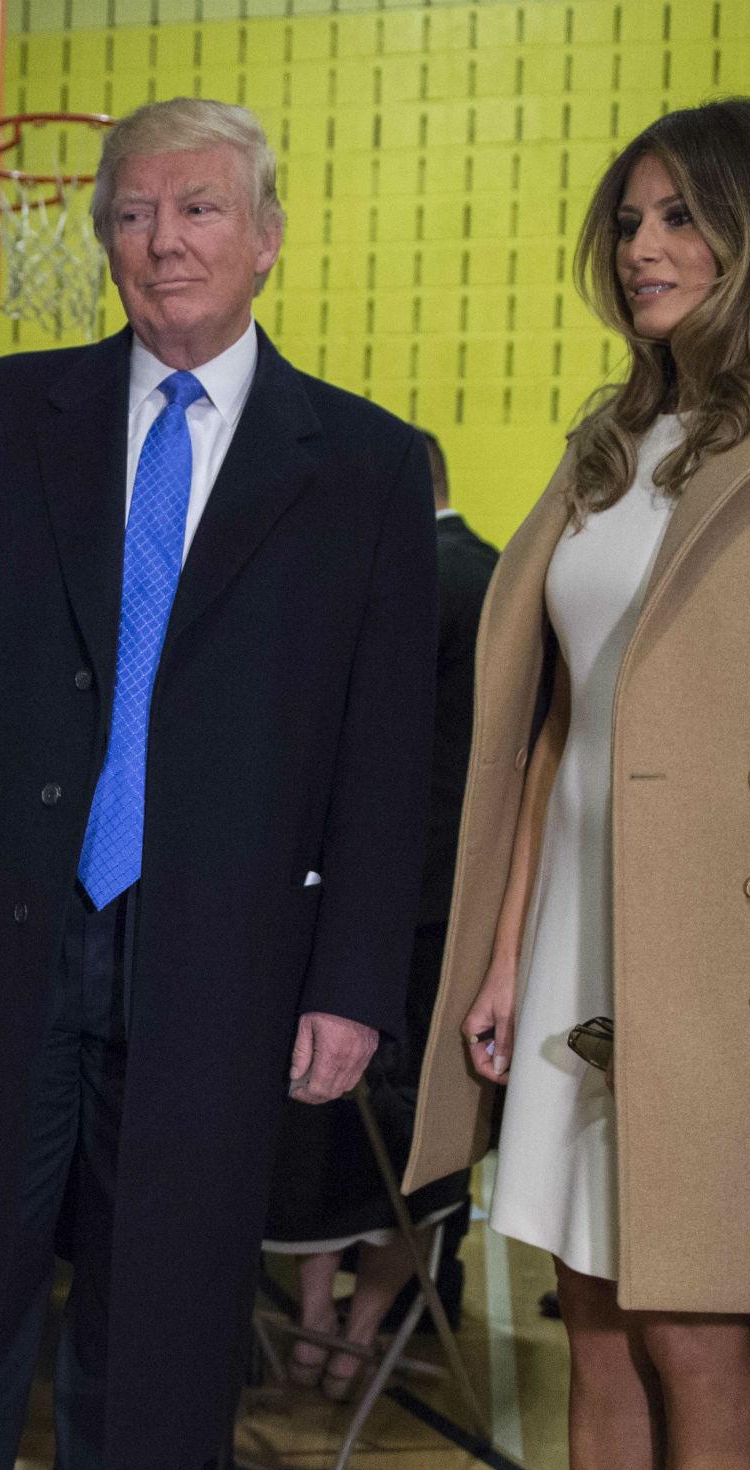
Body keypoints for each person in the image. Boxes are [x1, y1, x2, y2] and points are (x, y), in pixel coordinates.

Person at [0, 97, 437, 1470]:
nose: (161, 242)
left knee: (159, 1328)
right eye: (132, 214)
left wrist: (354, 983)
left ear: (268, 240)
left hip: (222, 967)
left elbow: (385, 760)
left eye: (198, 210)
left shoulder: (362, 467)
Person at [405, 97, 750, 1470]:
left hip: (747, 965)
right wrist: (511, 953)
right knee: (590, 1333)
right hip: (587, 938)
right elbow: (564, 724)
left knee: (702, 1350)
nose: (644, 245)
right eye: (631, 219)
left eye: (681, 215)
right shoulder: (611, 437)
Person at [264, 427, 494, 1398]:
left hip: (365, 901)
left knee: (326, 1115)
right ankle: (363, 1325)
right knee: (425, 1135)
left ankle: (317, 1319)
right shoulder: (497, 575)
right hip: (464, 907)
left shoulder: (401, 583)